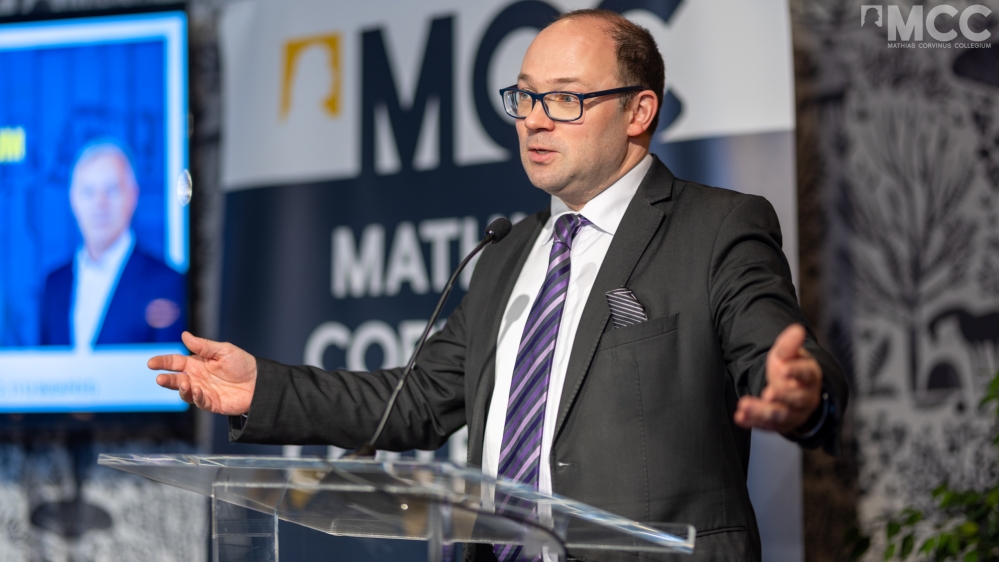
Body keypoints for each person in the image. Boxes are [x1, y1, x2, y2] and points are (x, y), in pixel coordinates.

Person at [150, 10, 847, 561]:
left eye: (565, 99)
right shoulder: (509, 252)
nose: (534, 118)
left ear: (638, 112)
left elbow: (777, 355)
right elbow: (414, 402)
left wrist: (799, 389)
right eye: (526, 96)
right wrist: (261, 390)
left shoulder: (715, 227)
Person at [41, 141, 185, 347]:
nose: (100, 203)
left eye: (112, 190)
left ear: (133, 195)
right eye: (88, 191)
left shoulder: (167, 282)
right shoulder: (54, 284)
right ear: (73, 200)